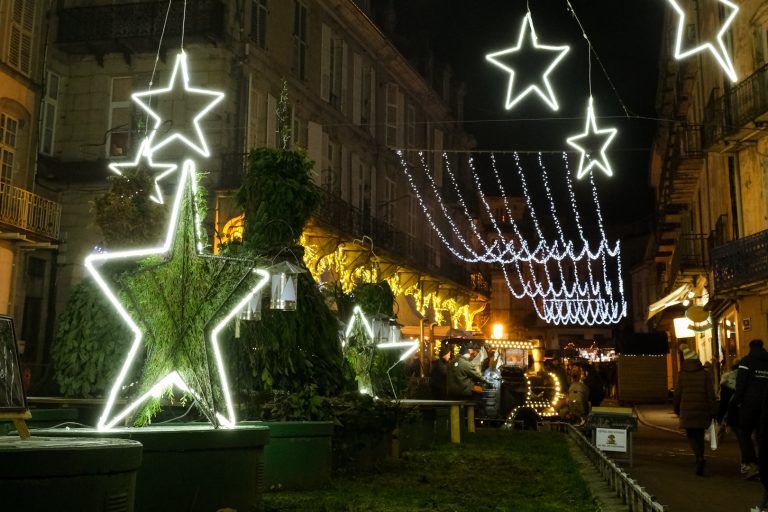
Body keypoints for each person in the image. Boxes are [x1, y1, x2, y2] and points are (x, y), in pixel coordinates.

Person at [674, 343, 715, 476]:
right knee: (700, 434)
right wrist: (712, 409)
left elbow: (677, 393)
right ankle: (701, 455)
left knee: (691, 435)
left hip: (687, 409)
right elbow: (710, 393)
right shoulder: (705, 374)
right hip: (702, 409)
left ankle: (698, 456)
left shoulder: (682, 374)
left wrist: (676, 408)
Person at [734, 339, 768, 480]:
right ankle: (763, 465)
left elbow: (741, 383)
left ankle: (753, 464)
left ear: (750, 347)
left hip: (750, 404)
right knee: (762, 436)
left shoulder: (746, 361)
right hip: (766, 404)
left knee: (744, 434)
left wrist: (737, 401)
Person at [716, 359, 744, 472]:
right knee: (752, 439)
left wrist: (719, 416)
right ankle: (751, 462)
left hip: (734, 415)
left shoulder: (726, 380)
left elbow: (724, 402)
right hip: (749, 412)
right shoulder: (747, 378)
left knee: (743, 440)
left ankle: (746, 463)